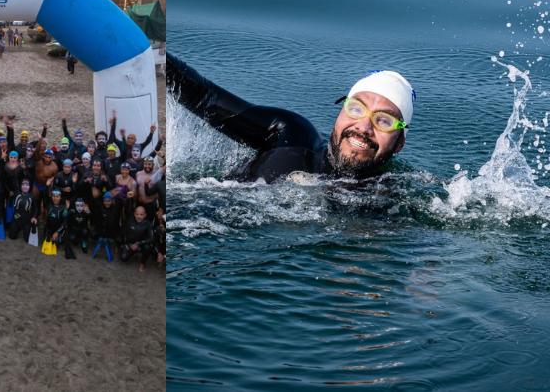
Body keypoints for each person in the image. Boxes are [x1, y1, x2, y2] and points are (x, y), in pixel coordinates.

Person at [166, 53, 416, 181]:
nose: (363, 126)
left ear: (399, 144)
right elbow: (205, 97)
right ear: (341, 110)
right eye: (356, 108)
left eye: (383, 120)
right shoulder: (289, 134)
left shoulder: (390, 201)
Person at [121, 205, 154, 273]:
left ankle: (142, 263)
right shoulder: (130, 219)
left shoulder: (148, 223)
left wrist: (138, 243)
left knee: (148, 247)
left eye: (141, 215)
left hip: (141, 245)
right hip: (130, 244)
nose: (139, 216)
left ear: (145, 215)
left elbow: (152, 238)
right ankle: (132, 252)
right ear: (134, 214)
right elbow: (127, 208)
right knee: (123, 258)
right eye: (137, 214)